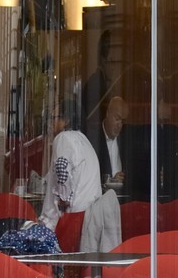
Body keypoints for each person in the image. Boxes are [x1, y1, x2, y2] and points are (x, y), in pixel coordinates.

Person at [39, 103, 102, 232]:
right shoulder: (82, 138)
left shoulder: (62, 138)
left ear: (66, 121)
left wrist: (63, 198)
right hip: (90, 212)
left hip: (74, 214)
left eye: (53, 117)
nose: (50, 122)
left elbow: (61, 168)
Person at [92, 94, 127, 185]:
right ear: (108, 113)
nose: (119, 125)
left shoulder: (126, 139)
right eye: (117, 118)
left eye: (122, 121)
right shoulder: (93, 139)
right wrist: (111, 181)